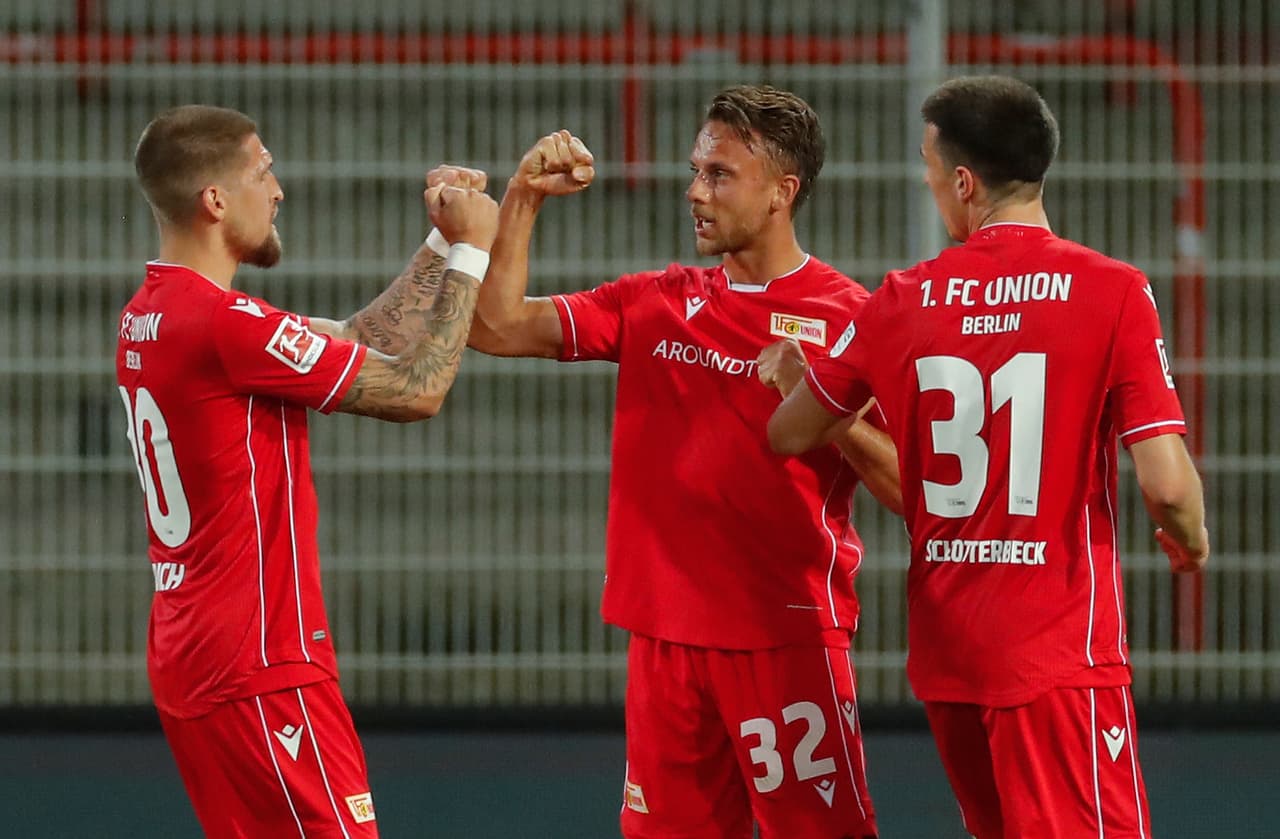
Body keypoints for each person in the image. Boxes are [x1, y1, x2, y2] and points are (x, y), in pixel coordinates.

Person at [767, 75, 1210, 838]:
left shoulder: (902, 298)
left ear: (965, 182)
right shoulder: (1113, 292)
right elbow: (1167, 487)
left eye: (930, 166)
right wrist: (1190, 537)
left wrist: (799, 382)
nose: (929, 182)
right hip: (1057, 658)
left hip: (950, 660)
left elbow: (789, 432)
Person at [459, 85, 899, 839]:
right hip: (663, 642)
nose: (695, 191)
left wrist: (823, 402)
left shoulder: (849, 318)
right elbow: (496, 326)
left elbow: (911, 487)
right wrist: (523, 198)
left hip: (785, 641)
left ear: (781, 192)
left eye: (719, 175)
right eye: (696, 170)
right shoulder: (657, 300)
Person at [117, 104, 498, 837]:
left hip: (194, 655)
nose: (278, 189)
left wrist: (439, 243)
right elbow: (416, 389)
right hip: (259, 662)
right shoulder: (226, 326)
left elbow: (356, 338)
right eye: (262, 172)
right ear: (215, 199)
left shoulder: (151, 315)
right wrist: (473, 253)